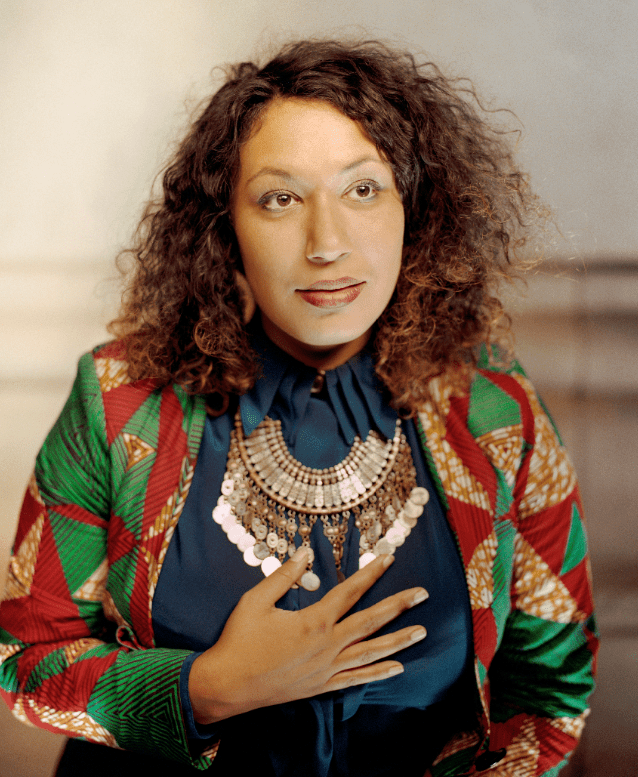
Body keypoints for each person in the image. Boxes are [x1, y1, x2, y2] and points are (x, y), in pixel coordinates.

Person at [0, 39, 598, 776]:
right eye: (280, 199)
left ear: (418, 208)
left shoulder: (497, 412)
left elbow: (550, 692)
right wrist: (204, 688)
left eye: (363, 190)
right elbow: (28, 659)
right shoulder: (121, 399)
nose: (327, 244)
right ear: (225, 229)